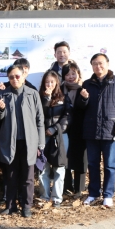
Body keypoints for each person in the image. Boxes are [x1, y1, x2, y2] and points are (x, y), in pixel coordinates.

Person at [79, 53, 115, 208]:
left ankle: (108, 195)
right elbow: (81, 109)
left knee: (109, 164)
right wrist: (83, 99)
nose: (98, 67)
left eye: (101, 63)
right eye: (95, 64)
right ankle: (93, 193)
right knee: (93, 164)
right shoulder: (87, 84)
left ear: (107, 64)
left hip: (111, 130)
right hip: (91, 130)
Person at [0, 65, 44, 218]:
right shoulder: (3, 94)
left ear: (23, 76)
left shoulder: (33, 94)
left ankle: (27, 206)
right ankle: (10, 206)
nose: (14, 79)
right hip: (10, 142)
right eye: (11, 77)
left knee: (28, 177)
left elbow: (40, 120)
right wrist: (0, 110)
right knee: (10, 175)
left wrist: (40, 144)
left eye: (17, 76)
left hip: (29, 142)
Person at [38, 71, 70, 208]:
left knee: (59, 167)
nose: (49, 84)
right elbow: (39, 115)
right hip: (42, 136)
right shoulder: (39, 97)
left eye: (52, 81)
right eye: (47, 82)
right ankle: (44, 196)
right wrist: (47, 98)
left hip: (60, 136)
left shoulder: (64, 97)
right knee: (42, 167)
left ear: (57, 82)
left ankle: (57, 198)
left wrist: (55, 129)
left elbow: (67, 117)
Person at [61, 64, 88, 197]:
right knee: (64, 157)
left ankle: (79, 189)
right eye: (67, 74)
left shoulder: (84, 89)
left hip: (80, 129)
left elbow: (86, 107)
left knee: (80, 159)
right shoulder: (59, 89)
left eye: (73, 73)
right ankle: (66, 186)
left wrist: (84, 99)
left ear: (78, 74)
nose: (71, 77)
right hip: (63, 129)